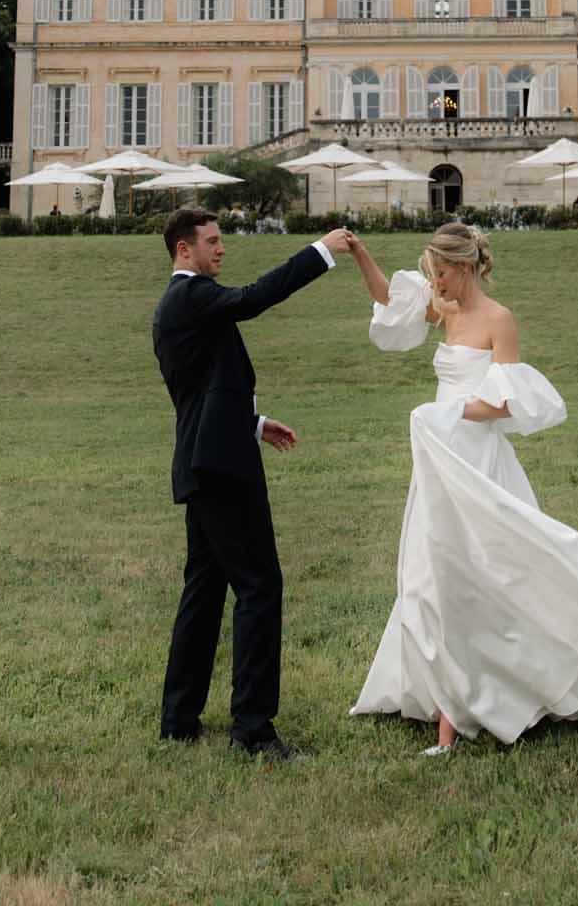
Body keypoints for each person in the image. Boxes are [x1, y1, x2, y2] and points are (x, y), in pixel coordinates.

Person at [344, 219, 578, 754]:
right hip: (440, 456)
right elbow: (388, 298)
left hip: (478, 458)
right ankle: (447, 716)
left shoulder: (500, 320)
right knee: (432, 574)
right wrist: (359, 254)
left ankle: (519, 687)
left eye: (441, 274)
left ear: (464, 267)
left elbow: (504, 402)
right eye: (432, 276)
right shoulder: (442, 308)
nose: (437, 285)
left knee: (496, 574)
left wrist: (445, 412)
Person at [152, 206, 355, 760]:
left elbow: (202, 392)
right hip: (220, 466)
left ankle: (179, 719)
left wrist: (256, 425)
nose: (221, 249)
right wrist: (320, 252)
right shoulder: (191, 297)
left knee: (204, 590)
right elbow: (253, 299)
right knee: (260, 587)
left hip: (207, 457)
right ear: (183, 250)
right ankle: (253, 731)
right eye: (212, 241)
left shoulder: (185, 306)